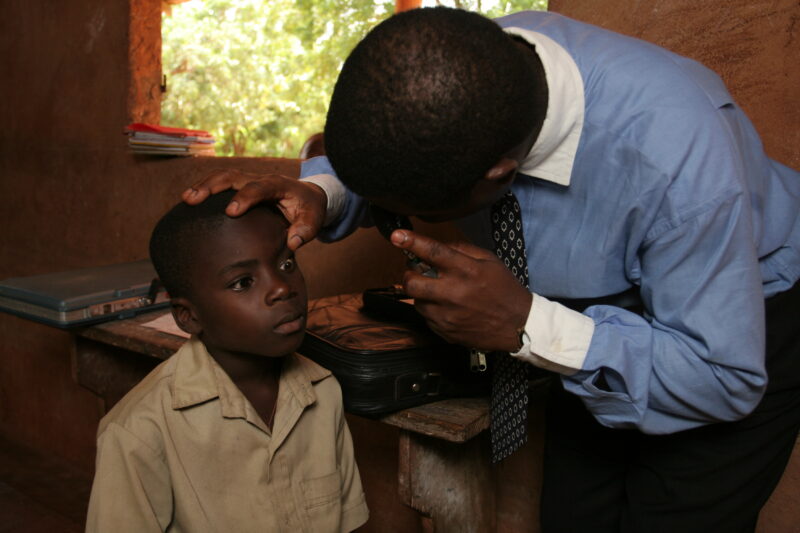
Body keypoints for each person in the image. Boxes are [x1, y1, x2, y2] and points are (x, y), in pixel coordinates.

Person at [184, 7, 800, 532]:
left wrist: (527, 323)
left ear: (500, 176)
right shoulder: (468, 72)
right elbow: (396, 155)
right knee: (573, 515)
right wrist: (325, 194)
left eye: (415, 213)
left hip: (733, 327)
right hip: (586, 330)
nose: (398, 219)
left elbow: (724, 376)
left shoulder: (679, 159)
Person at [85, 191, 369, 532]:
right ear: (188, 317)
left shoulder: (323, 392)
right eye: (243, 282)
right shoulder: (139, 432)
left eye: (286, 264)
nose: (281, 288)